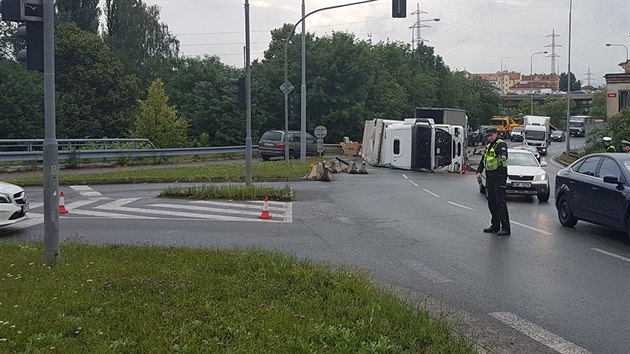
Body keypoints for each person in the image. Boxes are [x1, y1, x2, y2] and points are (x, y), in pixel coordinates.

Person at [476, 127, 511, 236]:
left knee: (500, 202)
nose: (489, 137)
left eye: (491, 135)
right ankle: (495, 225)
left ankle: (506, 228)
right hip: (490, 177)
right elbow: (484, 160)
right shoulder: (489, 146)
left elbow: (503, 153)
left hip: (499, 176)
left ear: (496, 134)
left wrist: (503, 156)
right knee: (491, 202)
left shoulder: (500, 144)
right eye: (488, 136)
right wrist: (479, 171)